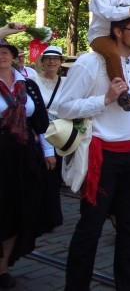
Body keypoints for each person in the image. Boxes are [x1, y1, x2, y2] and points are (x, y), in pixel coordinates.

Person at [56, 16, 130, 290]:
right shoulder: (90, 63)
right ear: (117, 30)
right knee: (90, 229)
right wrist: (106, 99)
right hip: (103, 157)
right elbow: (63, 107)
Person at [0, 39, 50, 289]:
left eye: (6, 52)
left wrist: (47, 151)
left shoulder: (27, 84)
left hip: (24, 154)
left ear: (13, 55)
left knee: (19, 208)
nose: (2, 56)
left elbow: (41, 121)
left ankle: (3, 268)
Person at [35, 45, 67, 233]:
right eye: (48, 59)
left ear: (60, 62)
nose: (52, 62)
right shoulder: (32, 80)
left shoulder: (65, 82)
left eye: (56, 59)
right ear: (43, 61)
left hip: (58, 133)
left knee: (54, 176)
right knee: (38, 175)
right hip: (38, 135)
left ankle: (53, 215)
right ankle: (37, 214)